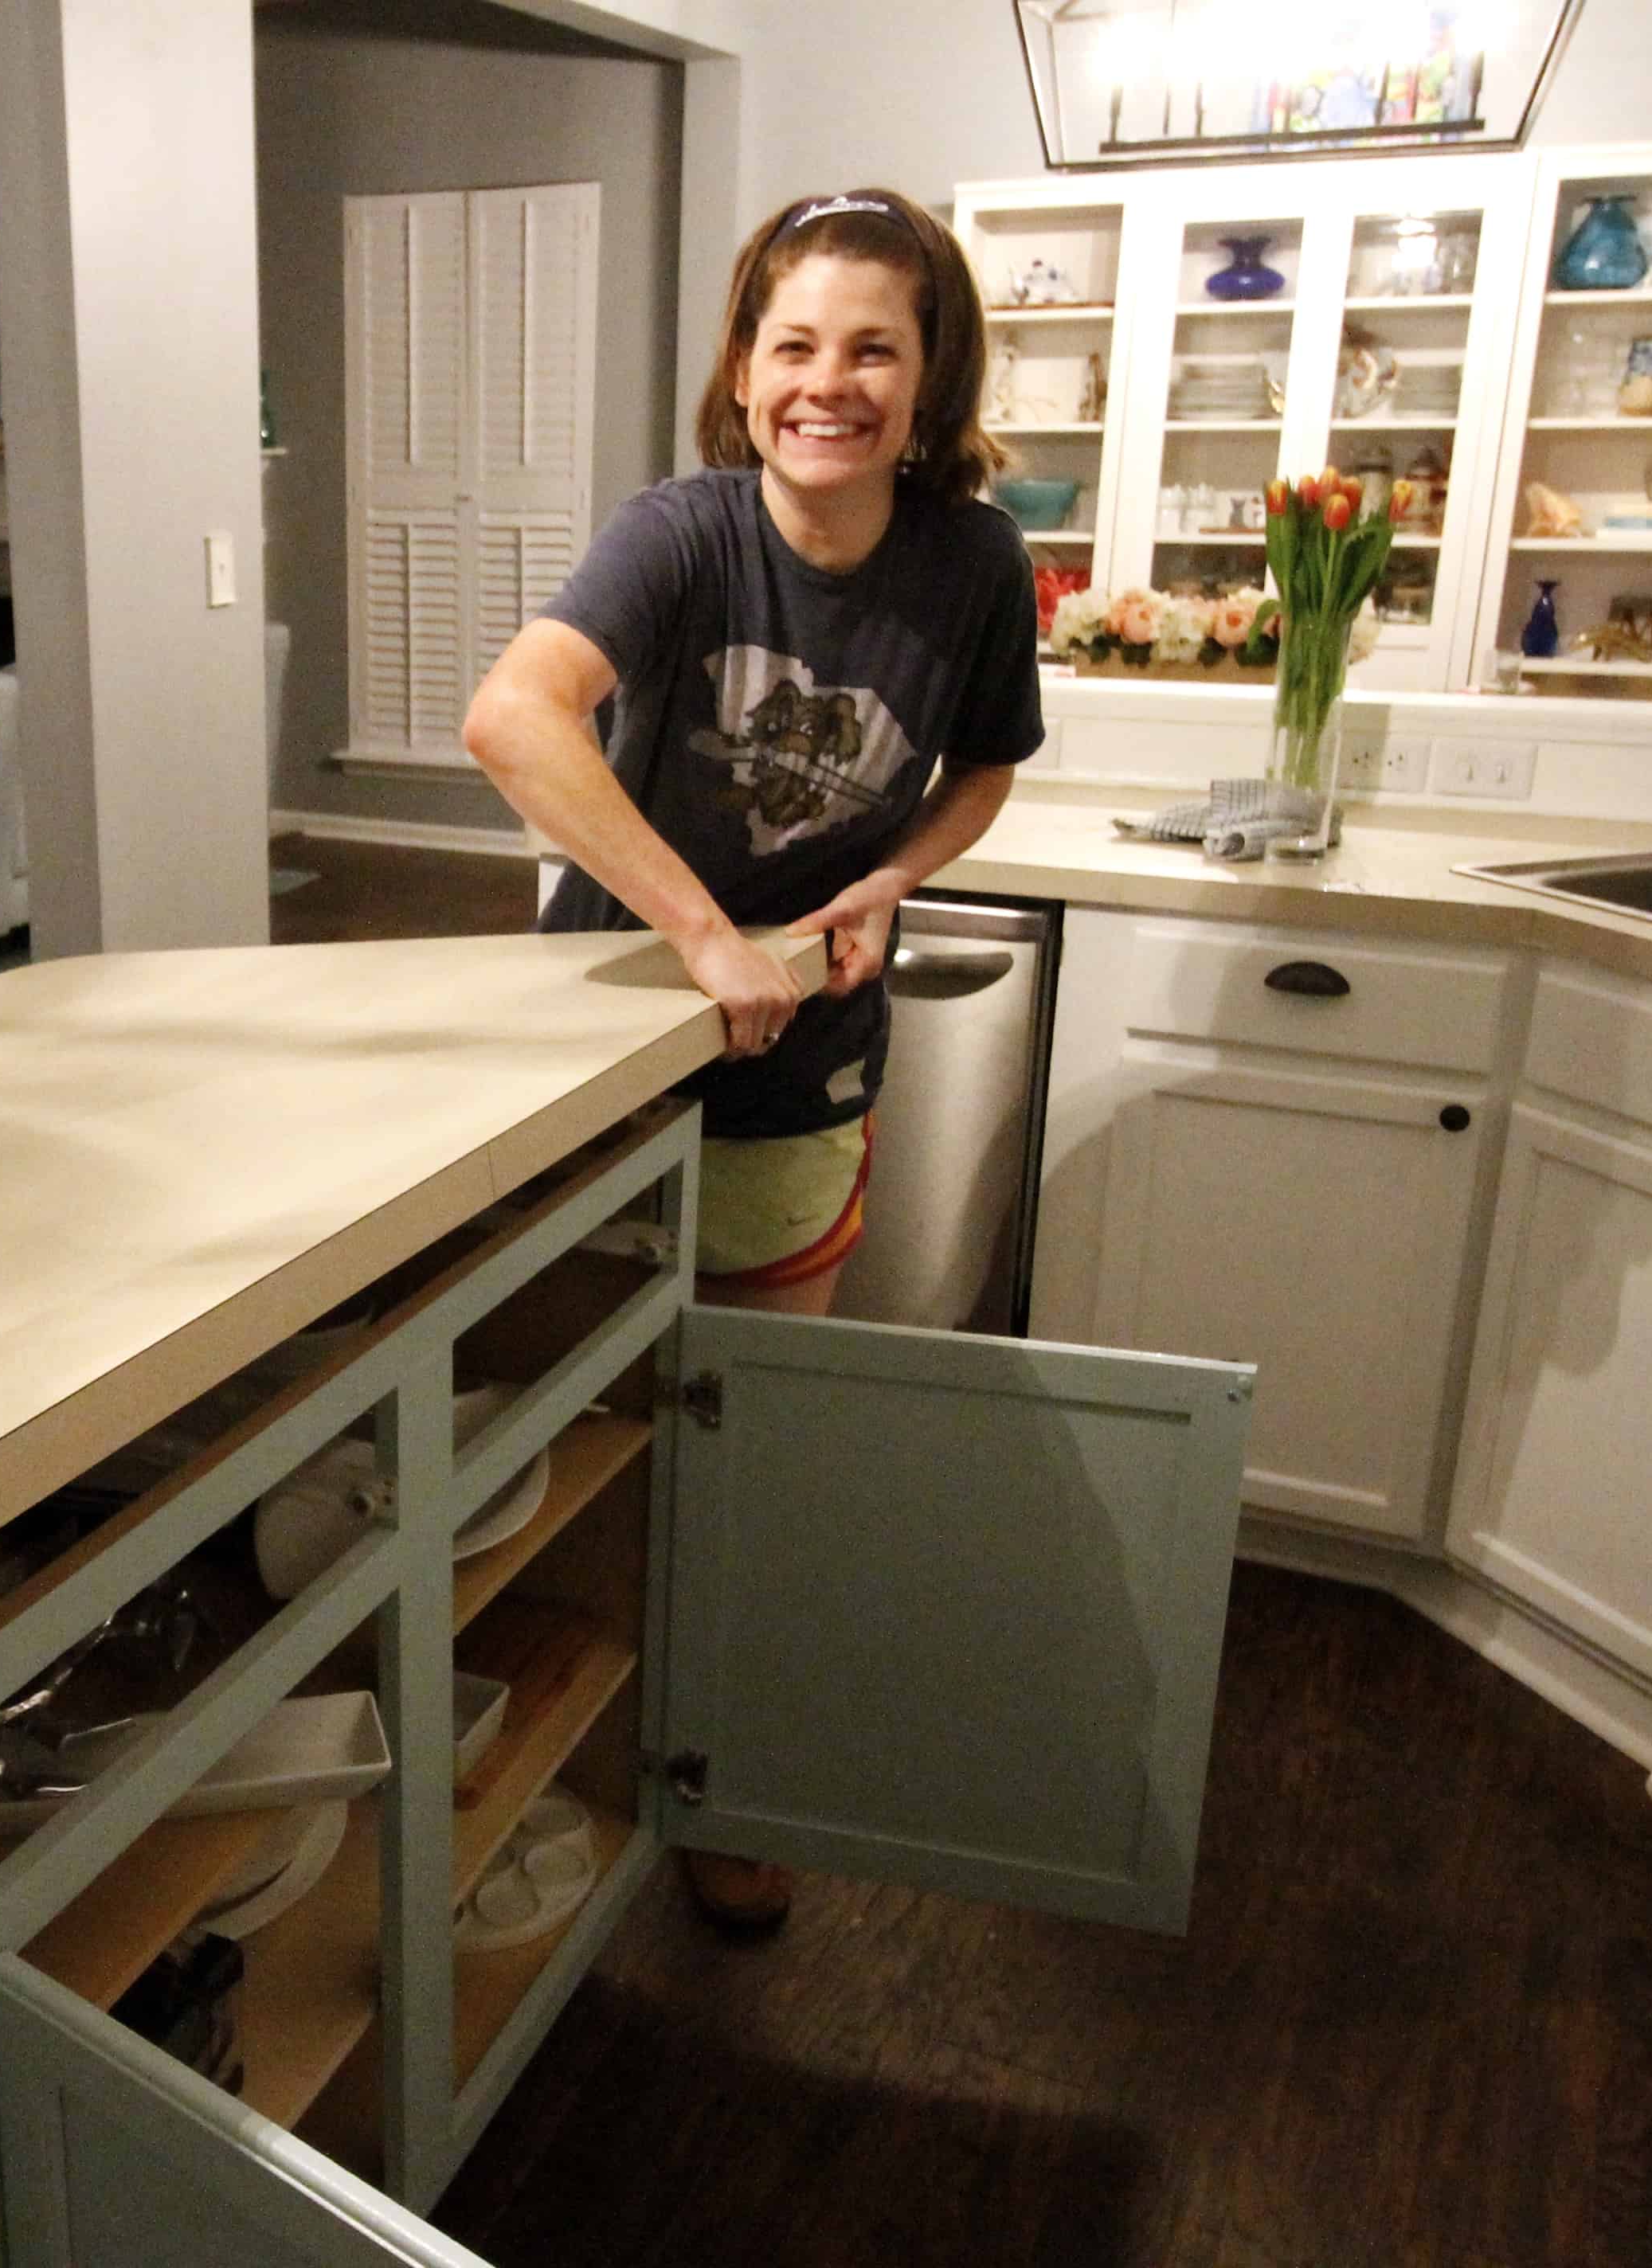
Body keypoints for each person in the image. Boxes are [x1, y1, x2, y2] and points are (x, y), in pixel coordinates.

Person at [459, 187, 1044, 1930]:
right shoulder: (684, 533)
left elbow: (988, 764)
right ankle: (540, 1764)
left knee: (751, 1445)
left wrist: (891, 872)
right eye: (795, 343)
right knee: (564, 1428)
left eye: (875, 346)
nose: (829, 381)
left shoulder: (975, 560)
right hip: (605, 1063)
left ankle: (718, 1777)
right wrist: (697, 928)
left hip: (805, 1076)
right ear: (744, 364)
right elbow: (515, 714)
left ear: (929, 378)